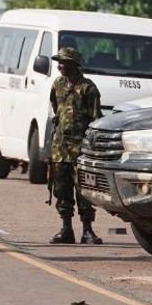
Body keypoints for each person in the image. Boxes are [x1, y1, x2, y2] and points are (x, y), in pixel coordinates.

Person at [48, 46, 103, 245]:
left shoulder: (88, 88)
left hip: (81, 150)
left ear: (74, 64)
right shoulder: (58, 84)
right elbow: (56, 108)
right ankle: (66, 229)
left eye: (64, 62)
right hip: (60, 149)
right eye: (59, 62)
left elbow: (96, 120)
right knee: (62, 191)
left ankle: (87, 231)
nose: (60, 66)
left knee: (84, 191)